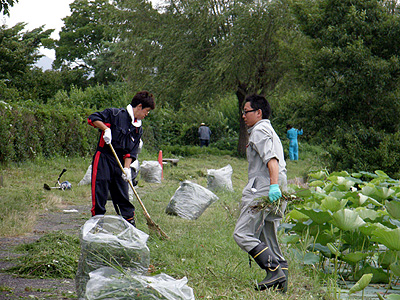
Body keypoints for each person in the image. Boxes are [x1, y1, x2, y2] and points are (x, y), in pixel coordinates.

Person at [233, 94, 288, 292]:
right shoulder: (268, 130)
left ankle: (273, 271)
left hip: (265, 187)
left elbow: (271, 160)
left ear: (258, 112)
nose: (243, 116)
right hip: (276, 185)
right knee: (268, 234)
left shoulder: (259, 130)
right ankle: (282, 282)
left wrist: (272, 187)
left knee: (242, 233)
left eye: (246, 112)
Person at [87, 91, 155, 227]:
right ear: (139, 106)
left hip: (120, 163)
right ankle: (96, 227)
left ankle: (130, 228)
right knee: (100, 192)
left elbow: (131, 151)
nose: (147, 114)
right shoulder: (115, 114)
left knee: (123, 194)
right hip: (104, 158)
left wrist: (127, 168)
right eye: (147, 111)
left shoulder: (138, 129)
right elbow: (92, 118)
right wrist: (106, 129)